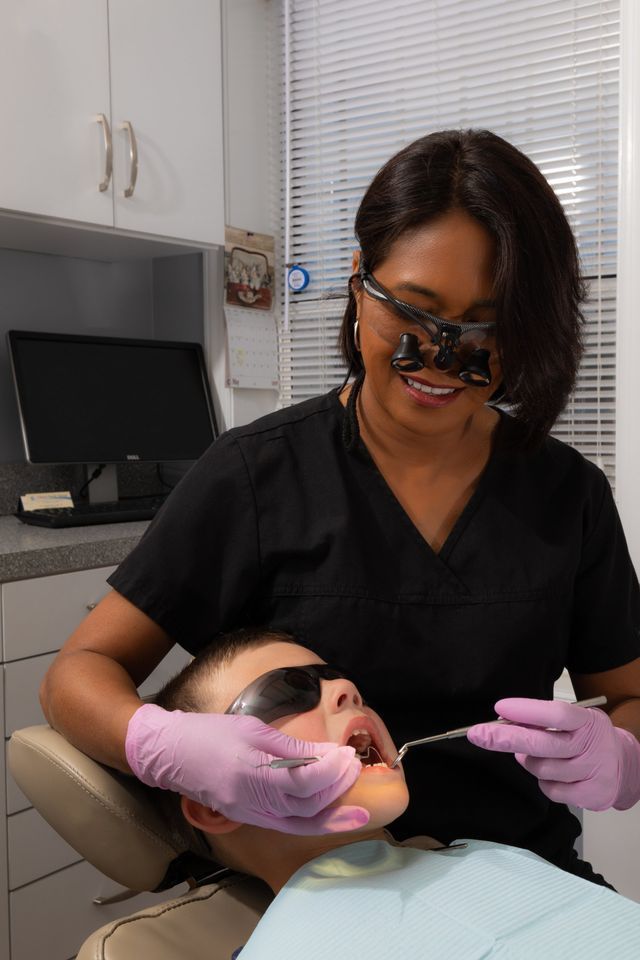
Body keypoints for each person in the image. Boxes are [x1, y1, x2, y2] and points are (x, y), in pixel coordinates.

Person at [40, 129, 640, 886]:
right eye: (414, 312)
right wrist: (161, 742)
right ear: (360, 281)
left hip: (516, 877)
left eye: (487, 327)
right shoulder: (256, 478)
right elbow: (78, 673)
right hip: (301, 882)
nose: (443, 358)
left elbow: (628, 694)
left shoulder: (567, 495)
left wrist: (620, 750)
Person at [151, 627, 640, 960]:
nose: (345, 688)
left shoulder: (498, 858)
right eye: (284, 693)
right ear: (214, 806)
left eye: (333, 676)